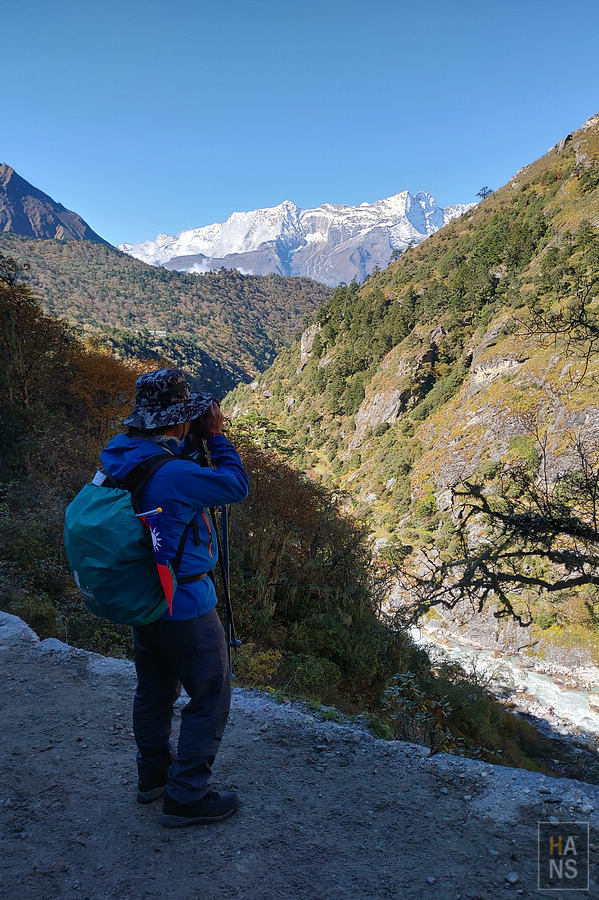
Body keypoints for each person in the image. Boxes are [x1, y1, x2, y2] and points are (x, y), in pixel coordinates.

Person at [100, 368, 249, 827]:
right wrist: (218, 437)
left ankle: (154, 778)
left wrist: (186, 434)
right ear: (179, 419)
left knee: (154, 690)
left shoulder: (121, 455)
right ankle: (187, 796)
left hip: (145, 597)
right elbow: (235, 485)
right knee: (210, 694)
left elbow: (162, 470)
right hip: (185, 605)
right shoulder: (179, 475)